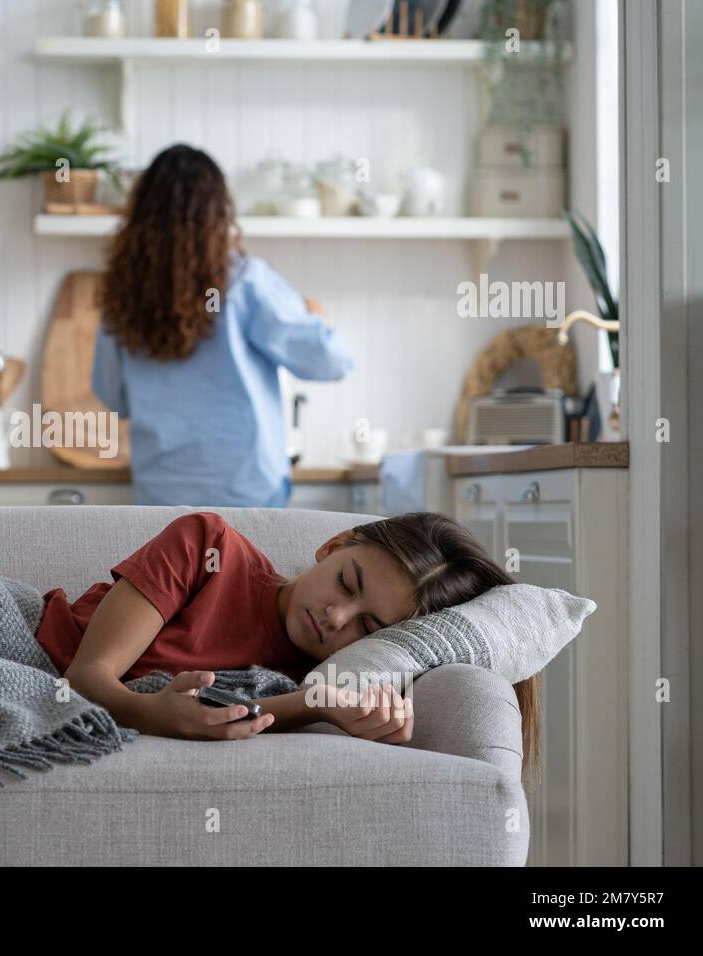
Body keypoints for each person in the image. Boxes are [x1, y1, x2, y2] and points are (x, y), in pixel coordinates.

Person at [35, 510, 542, 786]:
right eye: (346, 583)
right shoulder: (207, 546)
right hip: (33, 651)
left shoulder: (320, 680)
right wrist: (155, 715)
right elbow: (84, 679)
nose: (335, 618)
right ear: (334, 545)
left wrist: (327, 706)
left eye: (368, 627)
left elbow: (251, 711)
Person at [93, 143, 353, 508]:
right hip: (248, 492)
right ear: (219, 213)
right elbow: (331, 362)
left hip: (163, 495)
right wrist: (315, 318)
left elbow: (111, 394)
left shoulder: (123, 294)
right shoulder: (245, 281)